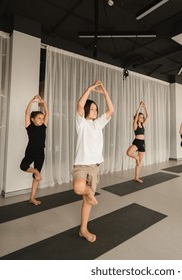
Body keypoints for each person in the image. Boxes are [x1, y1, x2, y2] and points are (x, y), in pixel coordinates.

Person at [71, 80, 114, 242]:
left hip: (95, 167)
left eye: (97, 109)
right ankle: (89, 191)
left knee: (87, 202)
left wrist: (105, 93)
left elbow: (111, 109)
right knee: (79, 188)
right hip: (81, 165)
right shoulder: (81, 123)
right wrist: (89, 88)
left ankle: (83, 229)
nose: (95, 111)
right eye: (93, 108)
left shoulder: (98, 124)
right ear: (88, 110)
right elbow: (80, 105)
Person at [20, 95, 49, 206]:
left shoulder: (44, 127)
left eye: (42, 118)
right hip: (31, 152)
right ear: (33, 119)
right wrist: (32, 101)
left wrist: (43, 102)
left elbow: (47, 113)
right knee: (23, 166)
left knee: (36, 178)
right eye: (39, 118)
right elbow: (26, 113)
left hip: (40, 153)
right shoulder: (29, 127)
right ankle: (36, 171)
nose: (42, 120)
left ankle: (32, 198)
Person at [126, 101, 149, 183]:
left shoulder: (143, 124)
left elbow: (148, 116)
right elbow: (135, 117)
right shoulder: (135, 125)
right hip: (136, 142)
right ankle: (136, 158)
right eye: (140, 117)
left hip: (142, 143)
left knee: (139, 163)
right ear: (137, 117)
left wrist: (144, 107)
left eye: (142, 117)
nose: (142, 118)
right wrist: (139, 107)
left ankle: (136, 177)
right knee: (128, 153)